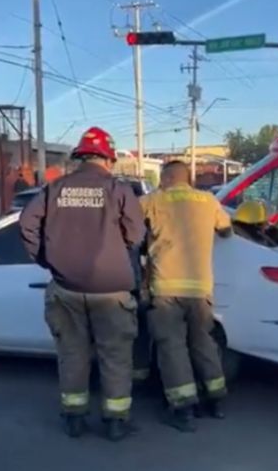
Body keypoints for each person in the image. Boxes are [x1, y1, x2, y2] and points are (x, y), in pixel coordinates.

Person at [19, 126, 145, 441]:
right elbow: (136, 235)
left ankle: (74, 418)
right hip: (112, 290)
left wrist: (46, 259)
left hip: (66, 287)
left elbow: (27, 224)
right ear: (107, 158)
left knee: (72, 353)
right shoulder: (118, 189)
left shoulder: (55, 188)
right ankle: (116, 422)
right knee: (115, 356)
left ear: (80, 157)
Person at [140, 160, 232, 433]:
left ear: (167, 177)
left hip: (167, 289)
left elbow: (127, 225)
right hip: (200, 289)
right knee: (203, 343)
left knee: (172, 348)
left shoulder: (154, 200)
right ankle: (215, 400)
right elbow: (227, 231)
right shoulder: (208, 200)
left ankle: (183, 410)